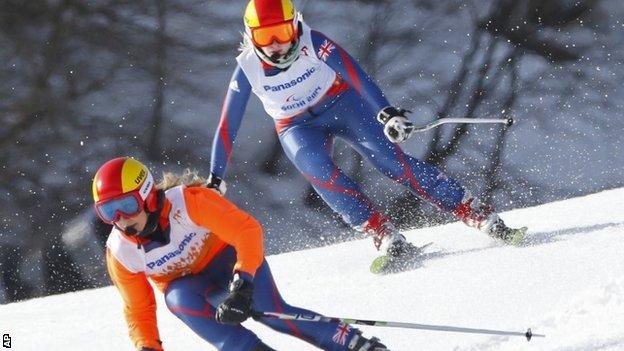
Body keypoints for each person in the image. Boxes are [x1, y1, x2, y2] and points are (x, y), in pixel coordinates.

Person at [208, 0, 524, 259]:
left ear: (294, 25)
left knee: (389, 162)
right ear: (252, 37)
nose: (276, 45)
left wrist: (385, 112)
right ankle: (380, 230)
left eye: (281, 32)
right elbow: (227, 124)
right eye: (266, 37)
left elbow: (355, 73)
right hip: (296, 125)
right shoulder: (247, 68)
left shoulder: (311, 42)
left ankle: (472, 209)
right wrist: (215, 177)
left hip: (341, 104)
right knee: (318, 171)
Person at [93, 157, 389, 351]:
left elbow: (247, 230)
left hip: (230, 261)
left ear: (146, 195)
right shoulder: (121, 251)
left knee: (271, 313)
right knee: (177, 298)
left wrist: (243, 280)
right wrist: (147, 346)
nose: (121, 218)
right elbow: (138, 308)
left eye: (127, 206)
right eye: (108, 212)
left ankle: (352, 343)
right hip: (191, 287)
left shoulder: (190, 202)